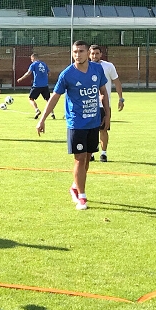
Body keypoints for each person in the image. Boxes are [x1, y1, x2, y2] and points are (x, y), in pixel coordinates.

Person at [36, 40, 110, 210]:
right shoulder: (67, 74)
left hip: (94, 120)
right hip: (76, 123)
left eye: (81, 51)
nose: (78, 54)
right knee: (80, 158)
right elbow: (54, 97)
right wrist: (42, 119)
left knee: (88, 159)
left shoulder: (97, 69)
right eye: (75, 51)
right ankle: (82, 196)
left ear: (87, 53)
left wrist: (107, 115)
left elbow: (103, 92)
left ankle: (75, 186)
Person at [89, 45, 124, 162]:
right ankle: (92, 153)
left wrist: (121, 98)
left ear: (101, 54)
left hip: (104, 104)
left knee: (103, 129)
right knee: (91, 130)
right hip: (89, 104)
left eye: (97, 53)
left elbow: (117, 82)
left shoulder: (108, 66)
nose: (95, 56)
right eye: (93, 54)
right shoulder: (85, 67)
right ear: (89, 54)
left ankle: (103, 153)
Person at [16, 53, 56, 120]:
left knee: (31, 99)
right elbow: (49, 73)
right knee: (48, 100)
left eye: (31, 59)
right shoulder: (44, 64)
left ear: (33, 58)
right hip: (45, 85)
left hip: (37, 85)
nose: (31, 61)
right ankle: (52, 113)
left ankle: (37, 110)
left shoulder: (33, 64)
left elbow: (28, 73)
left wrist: (21, 78)